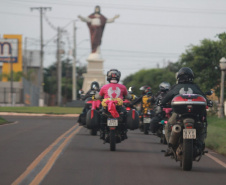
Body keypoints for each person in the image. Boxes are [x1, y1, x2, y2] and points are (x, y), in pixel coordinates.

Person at [160, 67, 210, 156]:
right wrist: (209, 103)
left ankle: (170, 147)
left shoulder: (175, 87)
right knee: (201, 127)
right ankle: (200, 144)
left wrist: (161, 103)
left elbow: (165, 99)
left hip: (179, 113)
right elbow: (205, 99)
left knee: (168, 126)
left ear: (178, 77)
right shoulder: (195, 87)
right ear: (192, 77)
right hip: (194, 114)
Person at [94, 69, 135, 139]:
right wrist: (132, 97)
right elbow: (128, 96)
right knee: (125, 116)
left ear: (108, 77)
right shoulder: (123, 87)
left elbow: (98, 96)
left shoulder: (104, 87)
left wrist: (94, 96)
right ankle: (124, 132)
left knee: (100, 115)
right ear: (118, 77)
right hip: (119, 107)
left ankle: (102, 132)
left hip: (106, 107)